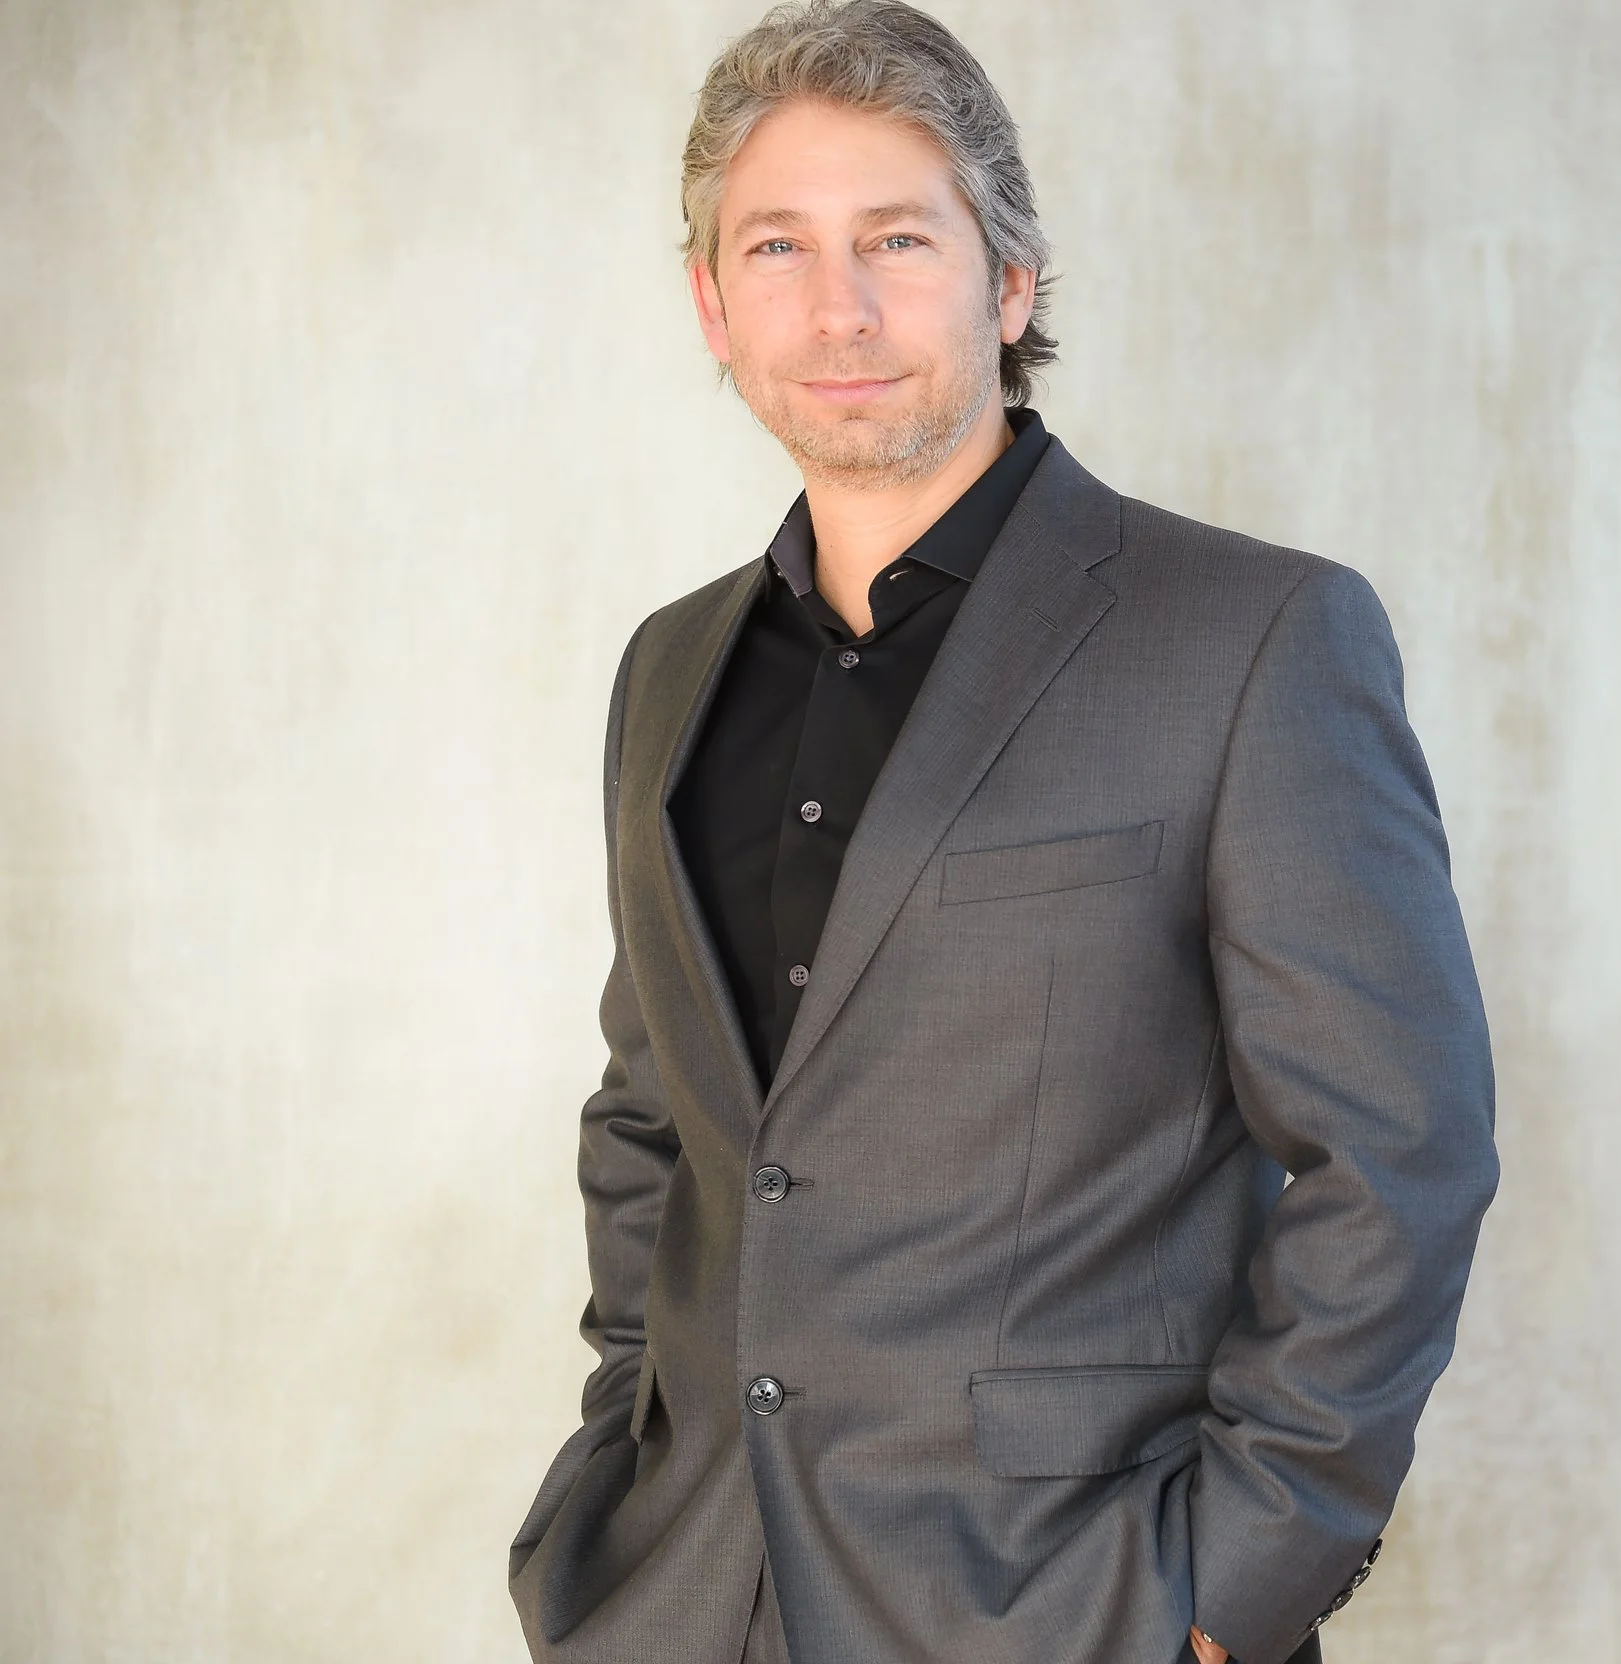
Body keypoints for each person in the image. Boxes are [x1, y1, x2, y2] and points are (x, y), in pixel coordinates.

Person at [506, 4, 1498, 1660]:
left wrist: (1231, 1590)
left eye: (899, 238)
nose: (840, 306)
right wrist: (621, 1460)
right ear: (713, 306)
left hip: (1075, 1605)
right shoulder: (667, 672)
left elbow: (1399, 1153)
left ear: (1012, 279)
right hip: (688, 1598)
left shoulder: (1253, 641)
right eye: (778, 246)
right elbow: (656, 1122)